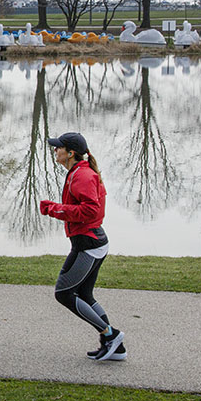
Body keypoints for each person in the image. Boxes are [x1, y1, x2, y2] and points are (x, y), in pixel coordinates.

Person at [39, 132, 126, 361]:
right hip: (91, 241)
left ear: (71, 153)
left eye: (59, 148)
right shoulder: (78, 173)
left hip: (88, 243)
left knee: (64, 293)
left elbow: (91, 211)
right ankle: (115, 348)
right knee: (84, 294)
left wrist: (55, 209)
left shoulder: (82, 176)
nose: (55, 150)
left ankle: (110, 334)